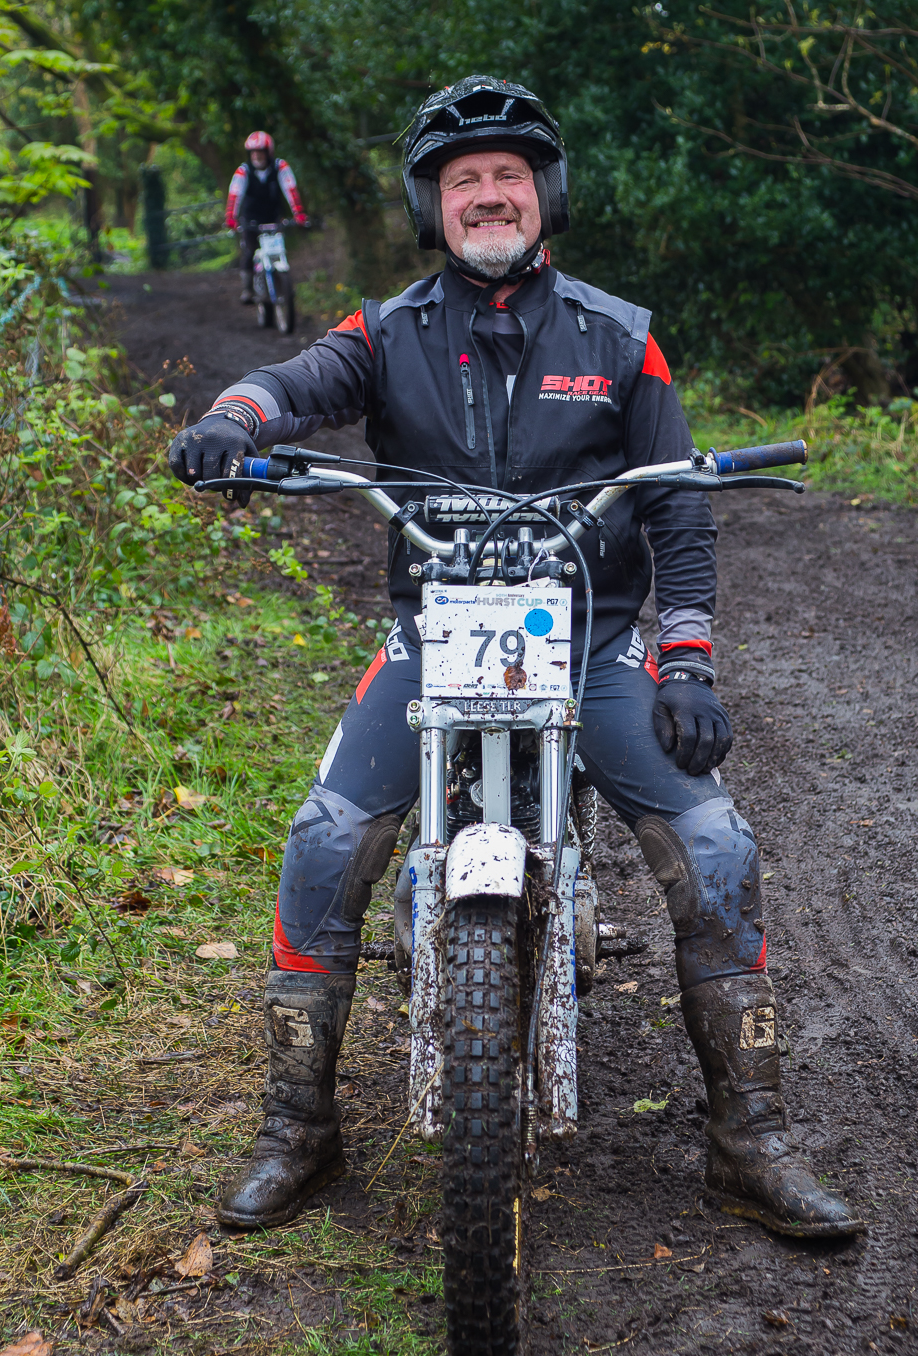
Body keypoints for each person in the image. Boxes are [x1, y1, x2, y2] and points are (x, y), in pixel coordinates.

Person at [170, 76, 863, 1241]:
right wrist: (233, 420)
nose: (487, 195)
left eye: (507, 175)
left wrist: (687, 660)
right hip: (433, 637)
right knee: (324, 841)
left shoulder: (620, 337)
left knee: (715, 847)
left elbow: (678, 506)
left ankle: (751, 1141)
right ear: (431, 206)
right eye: (463, 180)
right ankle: (298, 1128)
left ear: (545, 194)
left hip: (591, 641)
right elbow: (290, 386)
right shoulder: (384, 332)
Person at [225, 131, 308, 305]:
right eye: (253, 152)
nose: (257, 156)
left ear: (268, 152)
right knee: (249, 251)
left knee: (280, 249)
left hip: (274, 217)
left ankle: (282, 283)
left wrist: (299, 213)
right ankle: (248, 289)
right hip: (250, 219)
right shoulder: (243, 171)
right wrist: (231, 217)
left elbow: (291, 190)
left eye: (260, 152)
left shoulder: (280, 167)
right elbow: (235, 194)